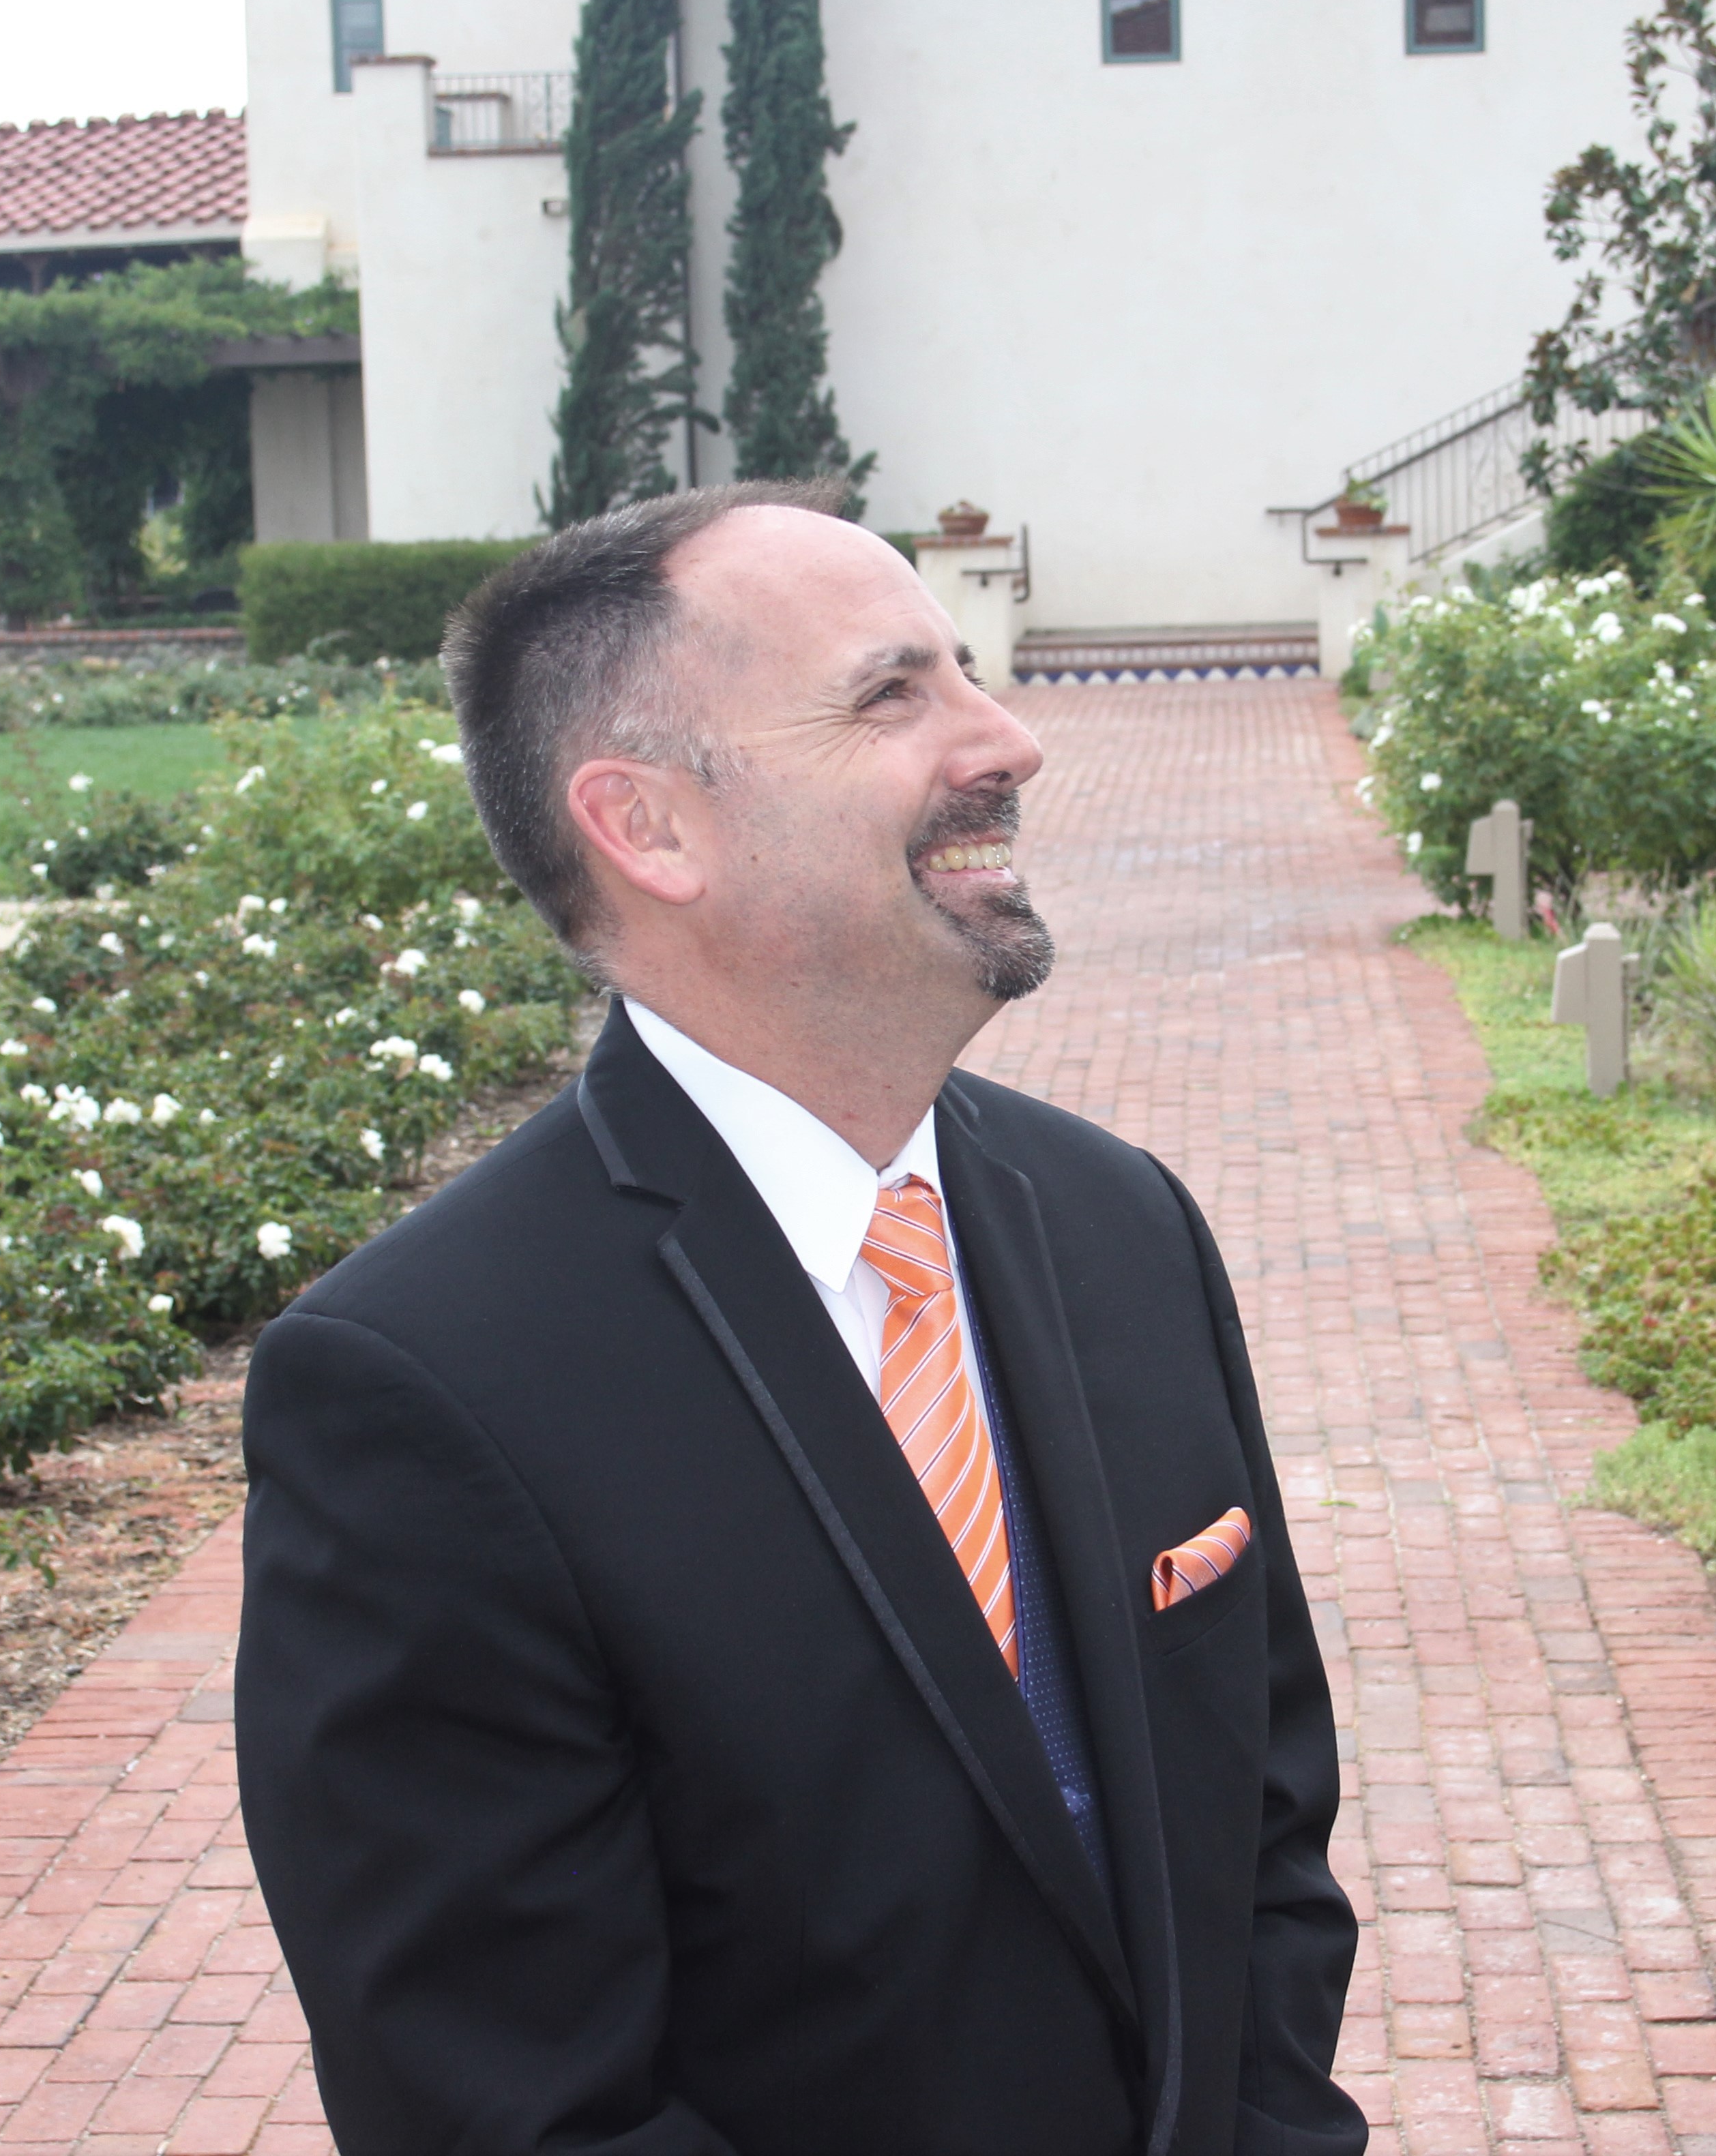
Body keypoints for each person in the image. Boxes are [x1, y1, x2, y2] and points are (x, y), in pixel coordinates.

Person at [237, 479, 1366, 2156]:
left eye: (965, 671)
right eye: (891, 695)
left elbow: (1264, 1833)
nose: (1007, 741)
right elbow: (514, 2106)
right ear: (650, 827)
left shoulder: (1122, 1224)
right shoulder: (425, 1389)